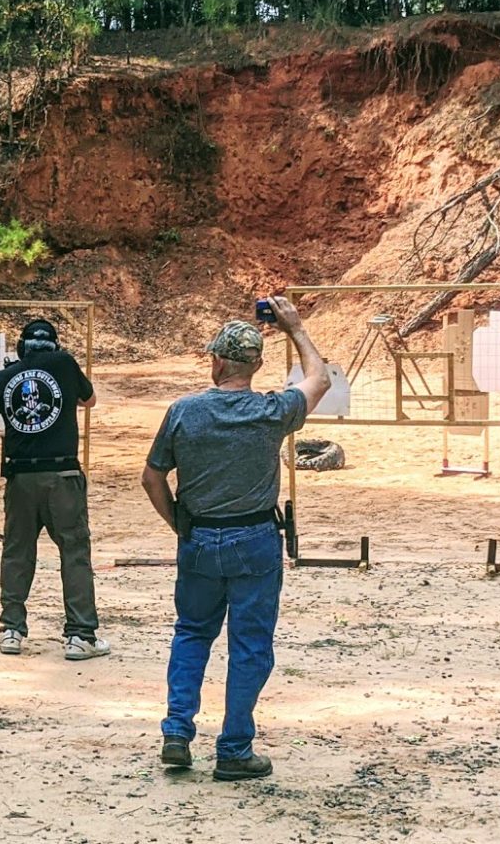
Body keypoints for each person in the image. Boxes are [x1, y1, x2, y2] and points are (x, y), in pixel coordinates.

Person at [141, 296, 331, 781]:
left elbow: (152, 478)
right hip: (255, 539)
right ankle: (234, 749)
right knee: (249, 647)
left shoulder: (183, 411)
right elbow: (320, 379)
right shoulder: (272, 411)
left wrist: (180, 526)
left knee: (191, 633)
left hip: (201, 538)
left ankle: (178, 731)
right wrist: (295, 327)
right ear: (257, 365)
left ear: (218, 361)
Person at [0, 318, 109, 661]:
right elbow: (89, 400)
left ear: (22, 347)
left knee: (17, 552)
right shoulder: (64, 364)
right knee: (74, 553)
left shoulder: (6, 376)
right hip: (62, 475)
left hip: (20, 479)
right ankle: (80, 636)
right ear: (54, 344)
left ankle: (11, 631)